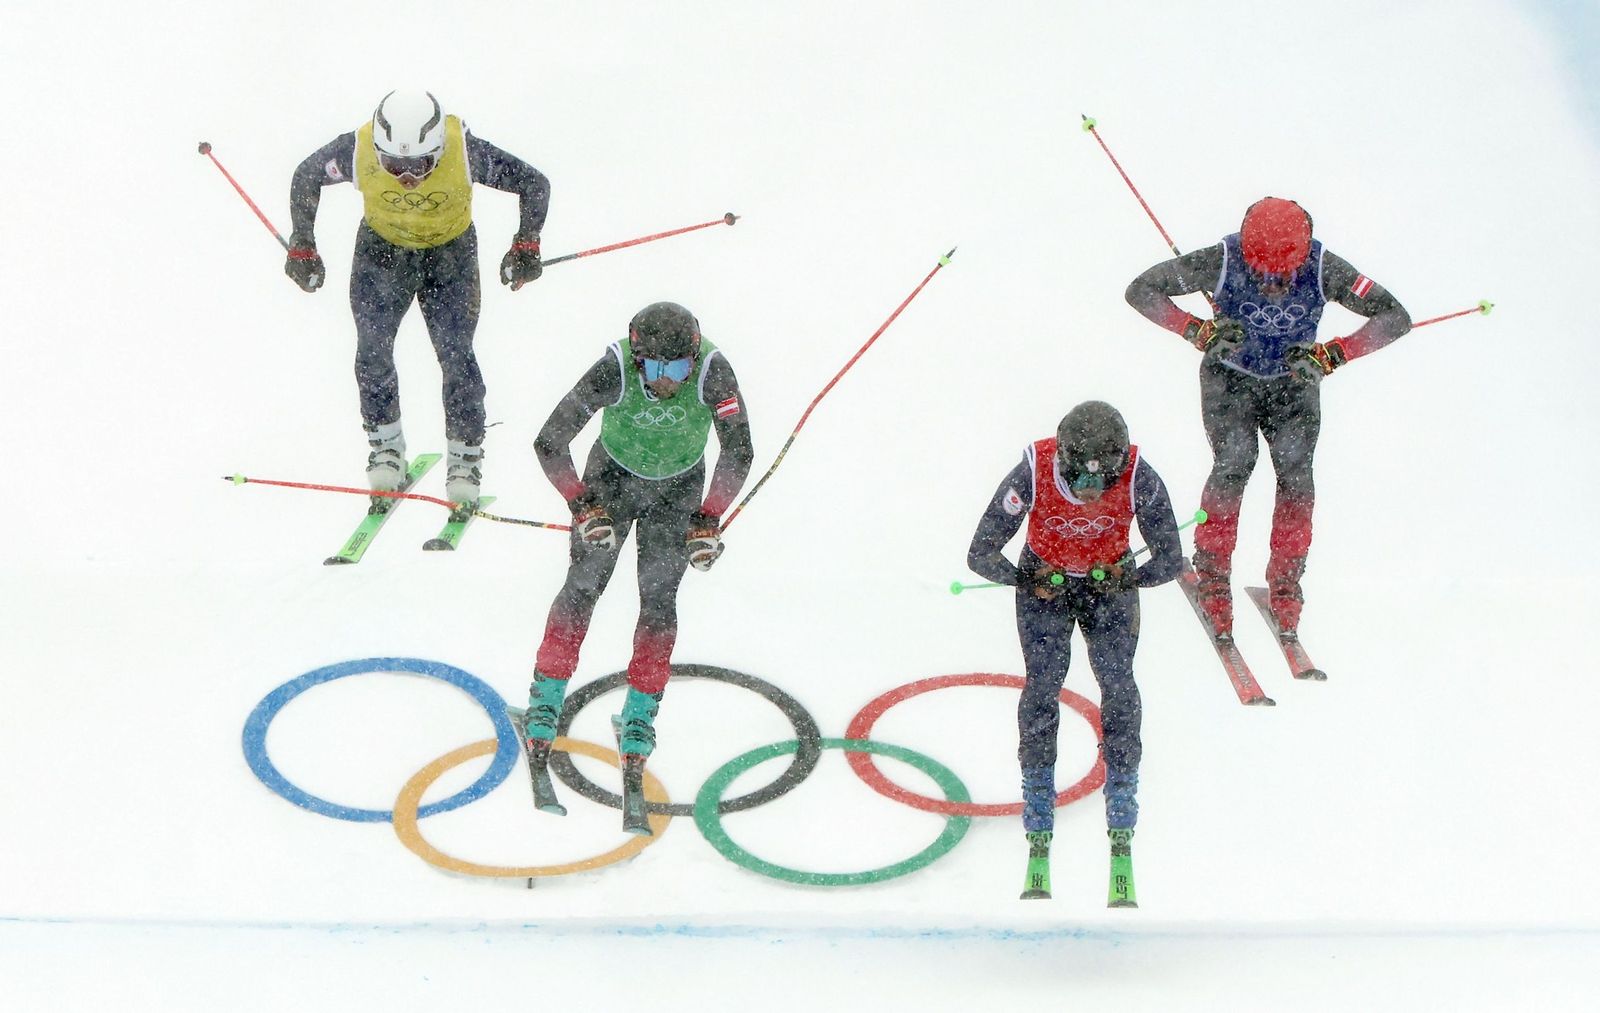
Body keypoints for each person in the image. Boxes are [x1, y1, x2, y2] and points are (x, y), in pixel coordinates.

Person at [1124, 197, 1411, 642]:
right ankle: (1213, 573)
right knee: (1234, 462)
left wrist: (1334, 353)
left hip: (1293, 383)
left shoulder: (1324, 267)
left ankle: (1287, 583)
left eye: (1283, 274)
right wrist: (1195, 329)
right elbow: (1141, 289)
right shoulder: (1220, 259)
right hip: (1230, 381)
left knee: (1296, 476)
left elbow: (1395, 317)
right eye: (1260, 270)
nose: (1272, 282)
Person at [522, 301, 754, 834]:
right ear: (638, 356)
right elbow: (549, 440)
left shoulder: (712, 370)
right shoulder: (615, 366)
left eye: (678, 369)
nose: (667, 380)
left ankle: (639, 720)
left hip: (677, 491)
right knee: (582, 588)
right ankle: (544, 703)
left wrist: (707, 519)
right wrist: (582, 504)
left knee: (658, 601)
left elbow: (737, 450)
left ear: (693, 360)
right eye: (655, 368)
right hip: (613, 480)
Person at [284, 89, 551, 509]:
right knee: (372, 349)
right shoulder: (357, 150)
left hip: (450, 258)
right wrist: (302, 244)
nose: (407, 176)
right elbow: (306, 175)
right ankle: (385, 447)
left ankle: (465, 457)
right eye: (393, 165)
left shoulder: (465, 153)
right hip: (382, 256)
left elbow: (534, 184)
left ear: (439, 148)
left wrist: (526, 244)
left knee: (456, 353)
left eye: (421, 165)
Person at [967, 400, 1182, 905]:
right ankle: (1038, 799)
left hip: (1108, 590)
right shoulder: (1035, 470)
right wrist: (1027, 578)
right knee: (1043, 684)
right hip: (1048, 587)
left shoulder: (1137, 475)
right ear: (1062, 458)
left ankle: (1123, 795)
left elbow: (1170, 557)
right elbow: (980, 552)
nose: (1089, 494)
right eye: (1080, 481)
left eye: (1101, 481)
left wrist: (1132, 576)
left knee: (1117, 683)